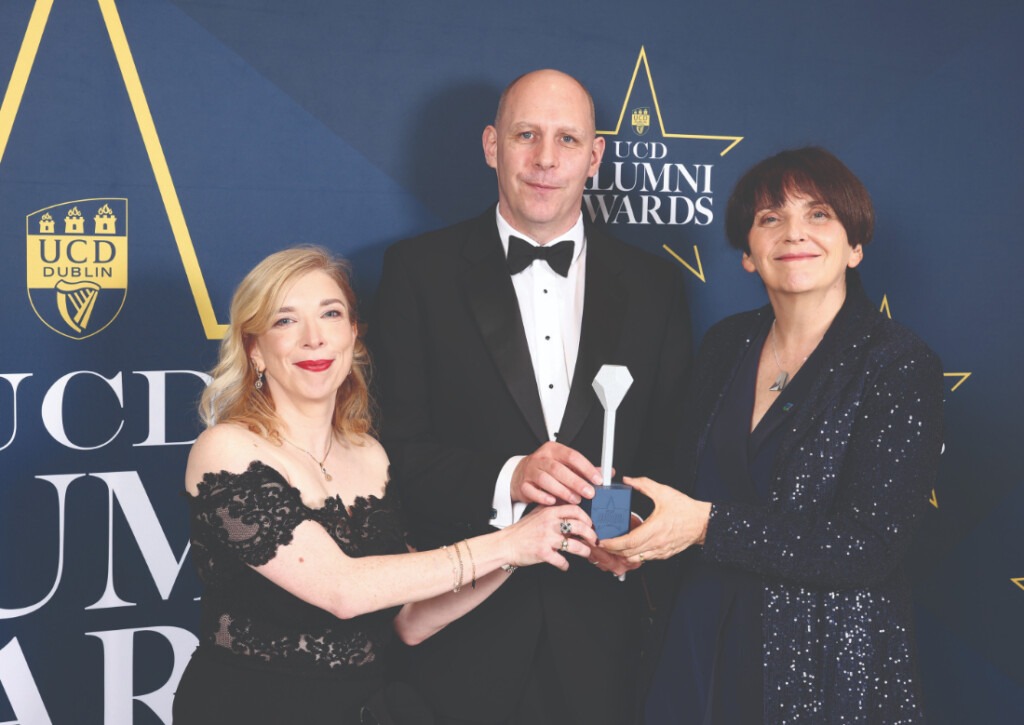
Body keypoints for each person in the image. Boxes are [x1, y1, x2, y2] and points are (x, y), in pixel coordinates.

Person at [371, 69, 691, 724]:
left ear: (595, 155)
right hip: (459, 636)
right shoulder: (416, 272)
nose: (546, 160)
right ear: (492, 145)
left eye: (568, 139)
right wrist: (509, 476)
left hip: (604, 639)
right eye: (526, 135)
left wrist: (630, 537)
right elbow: (390, 451)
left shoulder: (656, 288)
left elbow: (673, 450)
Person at [172, 247, 599, 725]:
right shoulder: (226, 448)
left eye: (330, 314)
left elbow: (412, 620)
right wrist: (508, 543)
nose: (314, 339)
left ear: (353, 335)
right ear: (255, 350)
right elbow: (343, 591)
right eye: (285, 321)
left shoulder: (369, 455)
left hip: (360, 709)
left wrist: (528, 544)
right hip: (248, 709)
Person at [600, 147, 944, 723]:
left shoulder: (898, 364)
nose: (793, 233)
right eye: (770, 218)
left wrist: (706, 526)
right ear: (748, 255)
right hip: (695, 638)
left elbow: (869, 547)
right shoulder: (724, 345)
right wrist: (642, 541)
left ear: (854, 246)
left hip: (821, 663)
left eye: (818, 215)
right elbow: (685, 486)